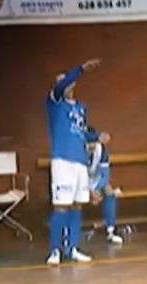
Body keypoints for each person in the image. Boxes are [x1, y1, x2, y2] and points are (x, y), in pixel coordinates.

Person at [46, 58, 100, 265]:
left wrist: (97, 137)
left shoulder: (81, 108)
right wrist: (81, 69)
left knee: (77, 205)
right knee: (61, 205)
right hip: (63, 160)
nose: (65, 84)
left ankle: (72, 248)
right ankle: (55, 251)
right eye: (62, 81)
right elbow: (61, 86)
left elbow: (82, 133)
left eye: (68, 81)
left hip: (80, 161)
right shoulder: (54, 103)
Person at [86, 128, 123, 244]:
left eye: (94, 142)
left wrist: (96, 189)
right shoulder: (76, 151)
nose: (91, 146)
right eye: (89, 143)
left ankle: (111, 231)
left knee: (109, 191)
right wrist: (90, 192)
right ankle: (67, 232)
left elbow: (104, 175)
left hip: (93, 179)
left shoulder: (102, 150)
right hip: (77, 181)